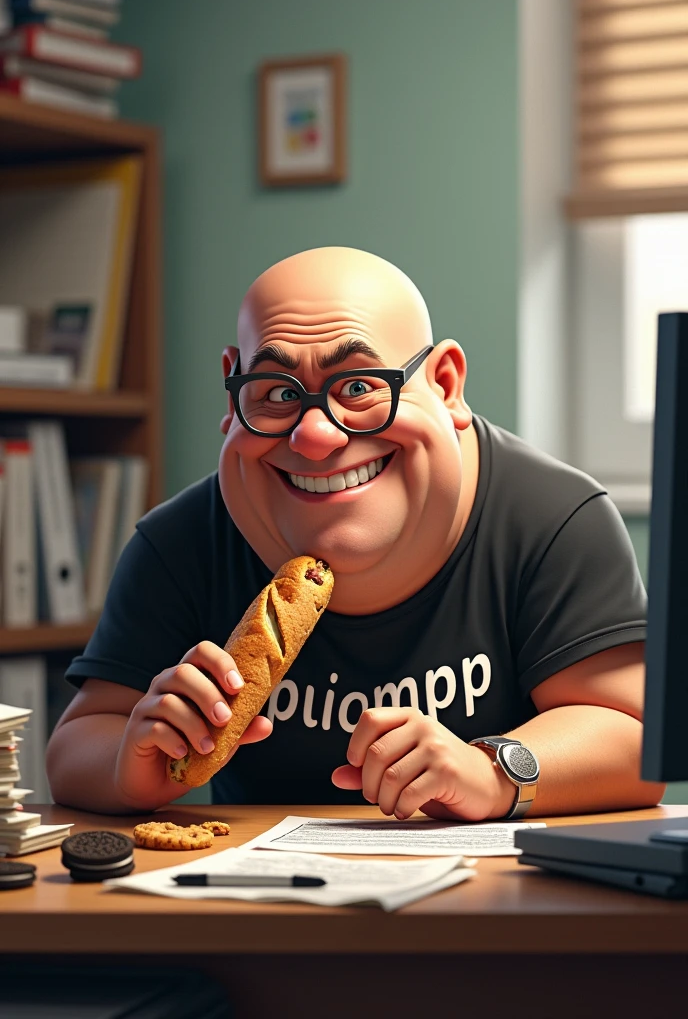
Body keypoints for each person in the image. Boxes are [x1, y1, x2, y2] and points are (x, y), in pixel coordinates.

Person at [46, 246, 665, 818]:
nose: (315, 436)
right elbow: (77, 743)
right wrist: (130, 764)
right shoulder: (181, 543)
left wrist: (492, 770)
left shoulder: (552, 518)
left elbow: (639, 736)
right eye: (276, 393)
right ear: (233, 395)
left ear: (445, 385)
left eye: (362, 386)